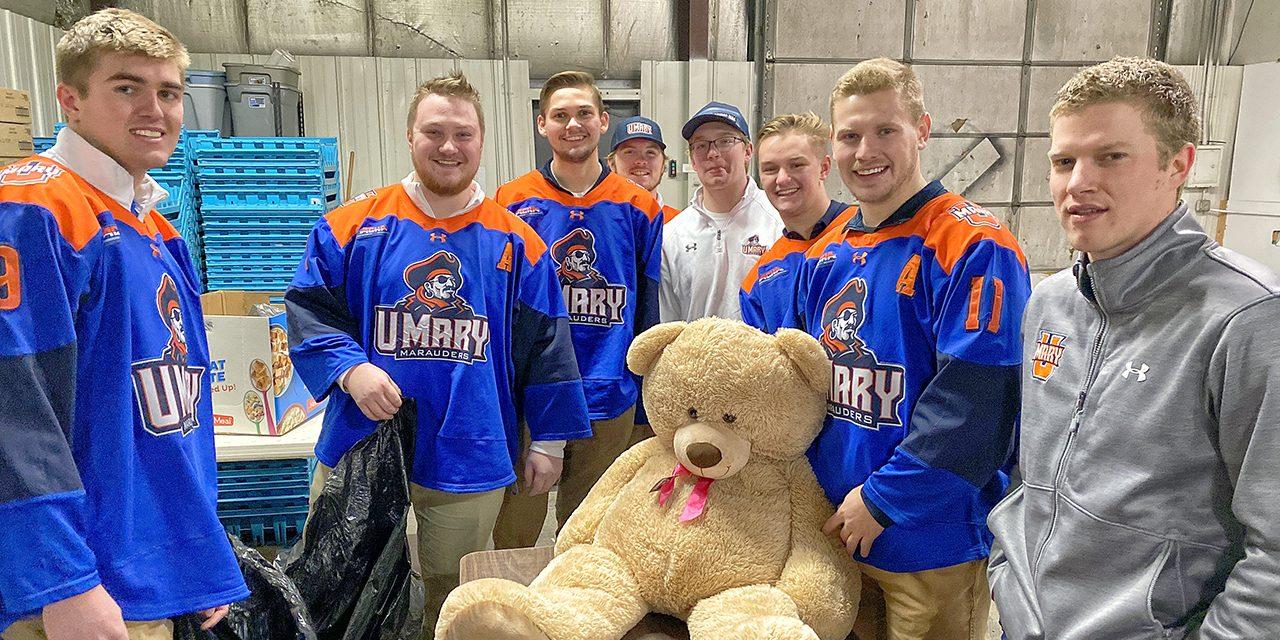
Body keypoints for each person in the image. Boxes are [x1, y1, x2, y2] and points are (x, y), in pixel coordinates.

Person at [284, 71, 591, 631]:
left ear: (482, 140)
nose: (449, 147)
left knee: (452, 591)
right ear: (410, 136)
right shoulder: (351, 226)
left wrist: (549, 440)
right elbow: (308, 307)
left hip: (469, 447)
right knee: (336, 572)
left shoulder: (518, 242)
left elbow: (548, 346)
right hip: (361, 438)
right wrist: (349, 369)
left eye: (464, 134)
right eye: (434, 132)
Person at [987, 57, 1280, 639]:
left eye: (1111, 157)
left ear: (1178, 164)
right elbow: (1033, 477)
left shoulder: (1246, 320)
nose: (1078, 183)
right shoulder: (1049, 304)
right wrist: (1008, 574)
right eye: (1063, 161)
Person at [0, 9, 248, 640]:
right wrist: (62, 581)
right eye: (127, 87)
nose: (155, 109)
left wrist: (194, 549)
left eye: (169, 92)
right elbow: (13, 409)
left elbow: (170, 410)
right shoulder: (34, 210)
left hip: (141, 571)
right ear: (70, 100)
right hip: (77, 588)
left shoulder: (153, 228)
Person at [795, 58, 1030, 640]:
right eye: (849, 136)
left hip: (926, 539)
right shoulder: (826, 249)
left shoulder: (974, 246)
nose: (865, 150)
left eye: (885, 131)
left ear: (922, 131)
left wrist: (881, 502)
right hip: (835, 532)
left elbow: (976, 408)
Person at [490, 71, 663, 548]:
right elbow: (501, 303)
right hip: (533, 391)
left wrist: (644, 393)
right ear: (542, 124)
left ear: (603, 122)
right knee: (516, 529)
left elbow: (650, 307)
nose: (573, 124)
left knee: (590, 535)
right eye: (560, 115)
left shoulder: (639, 206)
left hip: (609, 392)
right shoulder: (511, 200)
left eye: (584, 113)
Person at [660, 101, 782, 322]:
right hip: (692, 356)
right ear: (692, 160)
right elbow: (668, 325)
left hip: (764, 356)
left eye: (725, 141)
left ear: (748, 151)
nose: (713, 153)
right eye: (701, 145)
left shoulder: (779, 221)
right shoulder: (672, 236)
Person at [740, 112, 854, 334]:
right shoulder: (759, 279)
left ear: (824, 168)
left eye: (796, 165)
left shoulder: (867, 236)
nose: (782, 179)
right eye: (770, 169)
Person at [606, 115, 682, 224]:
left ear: (663, 165)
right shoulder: (598, 222)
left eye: (650, 152)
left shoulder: (680, 224)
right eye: (630, 152)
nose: (641, 161)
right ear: (612, 164)